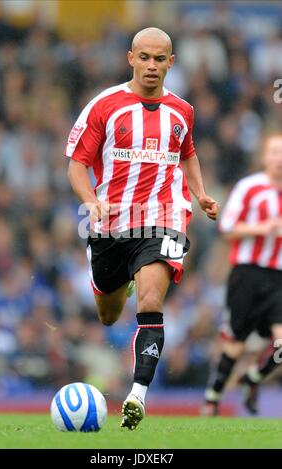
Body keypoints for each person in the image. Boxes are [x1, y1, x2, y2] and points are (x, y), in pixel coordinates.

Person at [65, 27, 219, 430]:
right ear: (131, 58)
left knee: (150, 302)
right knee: (108, 314)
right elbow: (77, 164)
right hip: (111, 223)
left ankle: (137, 395)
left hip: (164, 218)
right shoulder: (105, 105)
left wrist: (200, 194)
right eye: (145, 57)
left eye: (160, 59)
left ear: (171, 62)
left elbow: (188, 153)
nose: (152, 66)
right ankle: (119, 279)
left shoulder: (182, 110)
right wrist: (90, 201)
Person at [202, 133, 282, 416]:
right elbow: (226, 226)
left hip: (278, 278)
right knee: (235, 340)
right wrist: (261, 228)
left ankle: (252, 378)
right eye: (275, 151)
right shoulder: (250, 187)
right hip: (246, 274)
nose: (280, 158)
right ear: (265, 156)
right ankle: (212, 399)